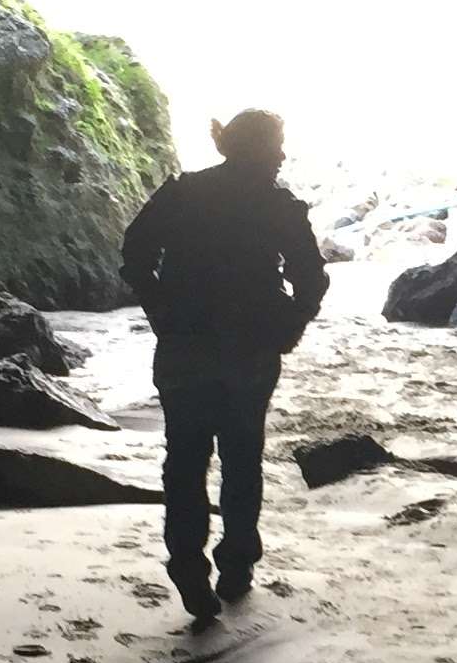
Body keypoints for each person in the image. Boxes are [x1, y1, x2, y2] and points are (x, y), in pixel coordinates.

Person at [120, 108, 328, 621]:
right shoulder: (278, 205)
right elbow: (312, 277)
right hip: (249, 351)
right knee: (241, 459)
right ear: (257, 149)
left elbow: (135, 252)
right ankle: (236, 563)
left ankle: (188, 565)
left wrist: (161, 310)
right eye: (276, 145)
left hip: (184, 346)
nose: (282, 155)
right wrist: (290, 324)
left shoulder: (183, 193)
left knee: (185, 460)